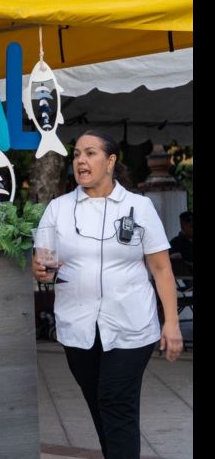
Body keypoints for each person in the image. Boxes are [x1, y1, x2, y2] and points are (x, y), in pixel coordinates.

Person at [31, 130, 183, 459]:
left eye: (90, 153)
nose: (81, 161)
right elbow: (42, 259)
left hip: (132, 326)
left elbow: (160, 268)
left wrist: (171, 322)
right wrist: (40, 270)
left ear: (110, 161)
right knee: (102, 406)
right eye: (76, 155)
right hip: (78, 327)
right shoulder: (58, 209)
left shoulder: (138, 208)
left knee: (115, 401)